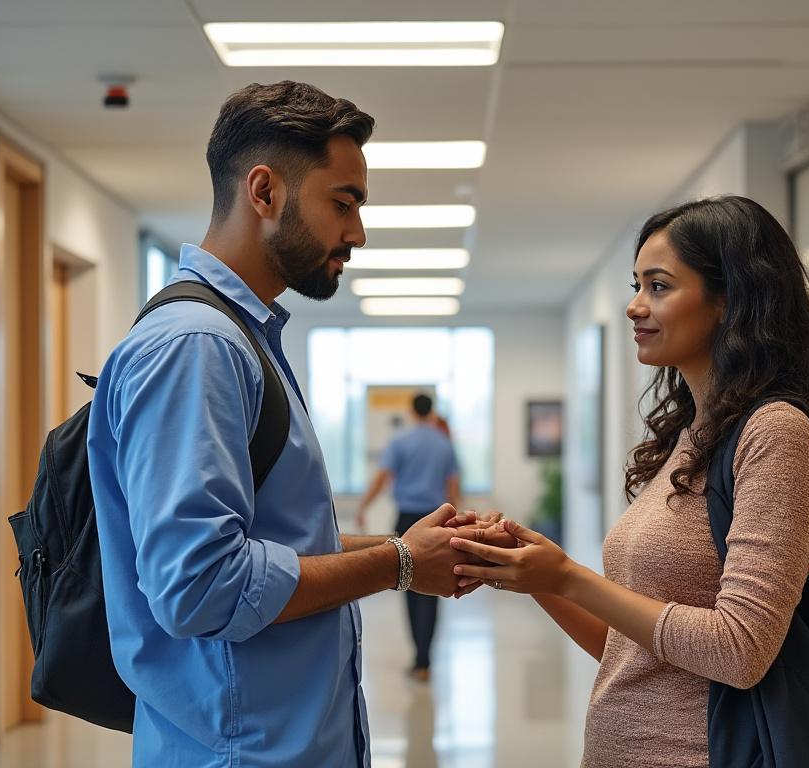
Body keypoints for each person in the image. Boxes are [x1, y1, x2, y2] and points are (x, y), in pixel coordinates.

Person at [86, 81, 503, 768]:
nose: (357, 233)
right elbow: (200, 587)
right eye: (344, 202)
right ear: (265, 191)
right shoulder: (200, 345)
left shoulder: (242, 341)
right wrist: (398, 564)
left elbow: (272, 539)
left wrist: (413, 546)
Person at [448, 196, 809, 767]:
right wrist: (536, 574)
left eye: (659, 286)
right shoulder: (694, 436)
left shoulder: (774, 433)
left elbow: (741, 650)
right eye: (636, 284)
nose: (635, 307)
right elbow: (630, 654)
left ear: (728, 301)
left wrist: (567, 577)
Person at [356, 393, 461, 681]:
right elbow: (453, 485)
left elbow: (382, 478)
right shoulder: (444, 443)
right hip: (438, 518)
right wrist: (457, 520)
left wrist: (364, 505)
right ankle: (425, 660)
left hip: (408, 520)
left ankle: (419, 657)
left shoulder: (401, 441)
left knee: (409, 582)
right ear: (431, 411)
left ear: (413, 412)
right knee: (435, 587)